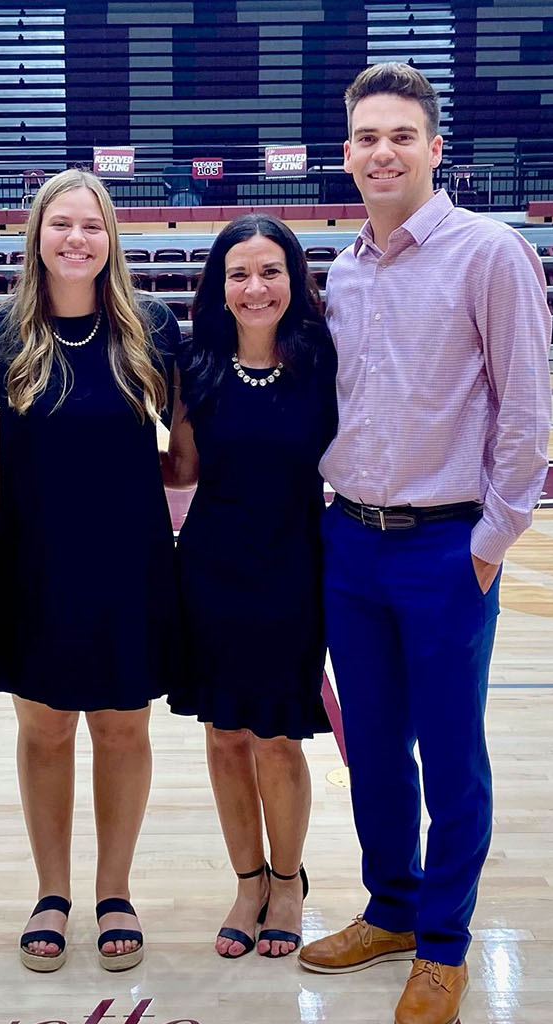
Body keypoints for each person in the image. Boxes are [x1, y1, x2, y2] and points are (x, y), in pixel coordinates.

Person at [296, 63, 551, 1024]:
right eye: (364, 136)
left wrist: (489, 544)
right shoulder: (346, 268)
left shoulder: (486, 254)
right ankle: (390, 908)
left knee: (449, 755)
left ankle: (443, 943)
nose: (380, 151)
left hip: (445, 549)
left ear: (433, 148)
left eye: (399, 134)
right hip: (349, 545)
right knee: (371, 754)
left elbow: (525, 416)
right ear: (347, 151)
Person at [0, 169, 181, 974]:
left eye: (91, 226)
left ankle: (114, 889)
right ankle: (50, 892)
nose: (76, 240)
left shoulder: (149, 328)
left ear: (110, 238)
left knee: (123, 728)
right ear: (36, 236)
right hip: (30, 565)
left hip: (127, 563)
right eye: (61, 225)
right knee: (45, 728)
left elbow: (195, 442)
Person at [163, 214, 337, 960]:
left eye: (270, 271)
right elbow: (180, 471)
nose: (254, 286)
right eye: (239, 273)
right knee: (224, 734)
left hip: (295, 564)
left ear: (293, 281)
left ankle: (290, 880)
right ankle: (246, 880)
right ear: (219, 286)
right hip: (209, 566)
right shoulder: (194, 363)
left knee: (276, 737)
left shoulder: (325, 358)